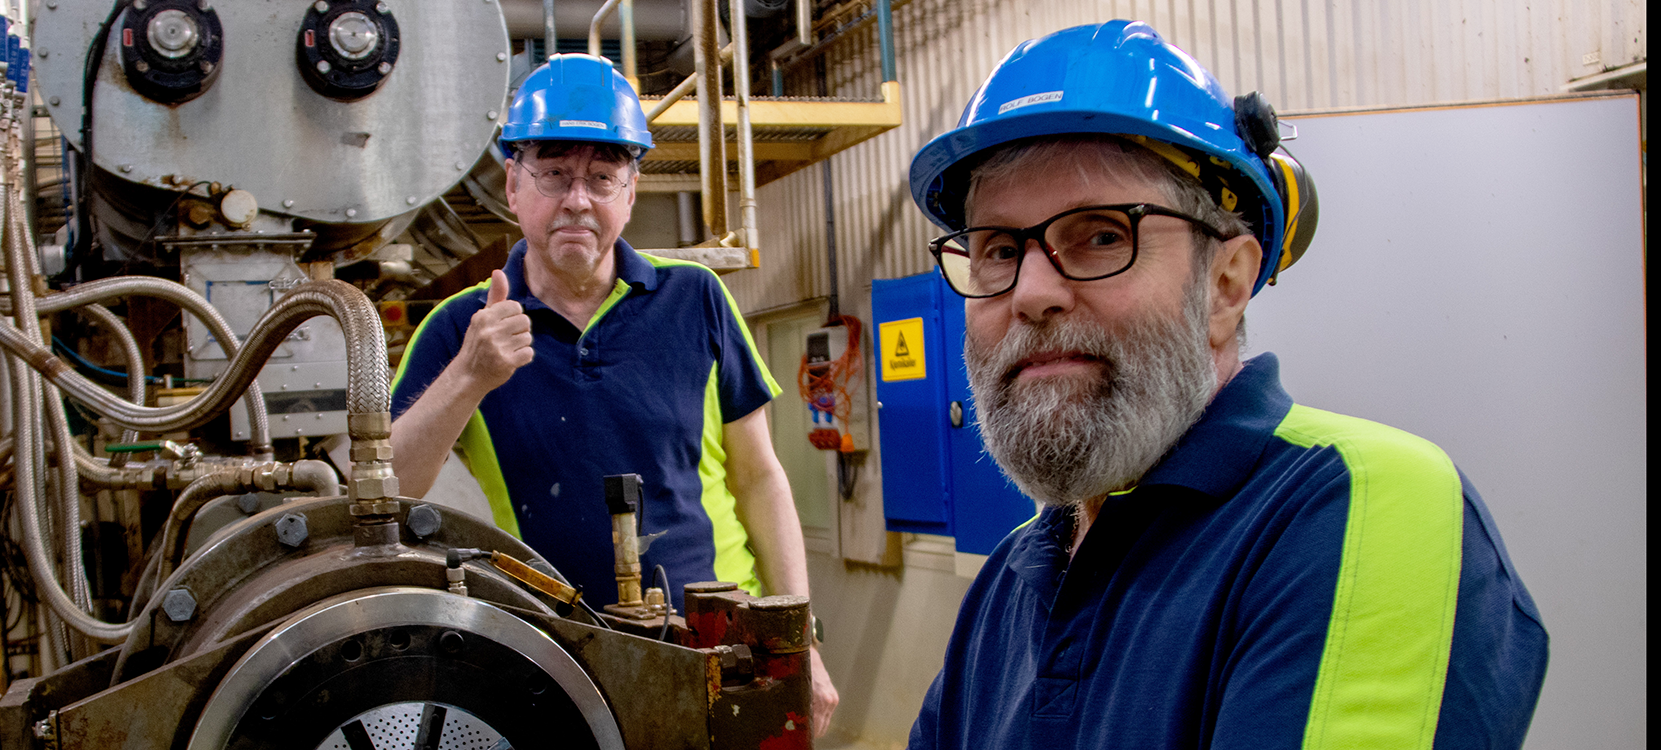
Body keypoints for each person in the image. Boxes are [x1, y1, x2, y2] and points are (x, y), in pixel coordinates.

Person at [902, 21, 1546, 749]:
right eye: (997, 249)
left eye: (1103, 234)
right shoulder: (1013, 578)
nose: (1033, 291)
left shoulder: (1367, 506)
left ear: (1226, 283)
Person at [389, 54, 838, 735]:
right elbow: (386, 497)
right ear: (513, 185)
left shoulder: (698, 300)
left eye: (602, 177)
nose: (577, 198)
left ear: (630, 192)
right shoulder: (461, 325)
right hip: (551, 656)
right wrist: (469, 376)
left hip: (715, 646)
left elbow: (759, 479)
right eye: (554, 174)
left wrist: (797, 636)